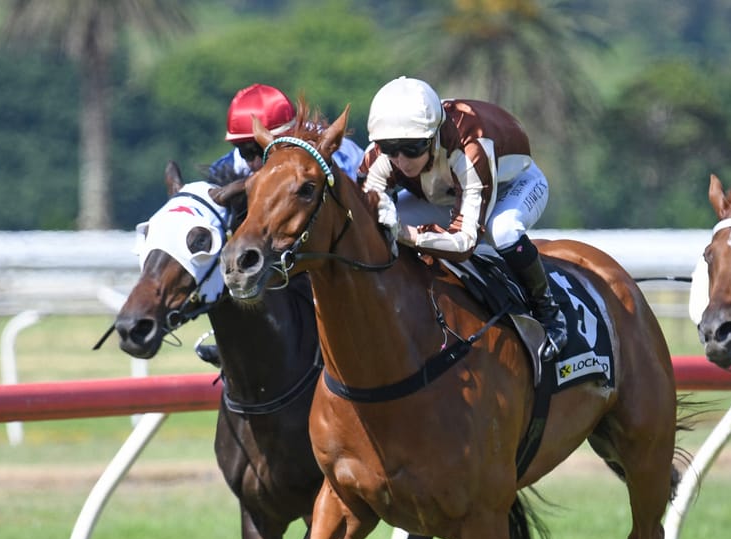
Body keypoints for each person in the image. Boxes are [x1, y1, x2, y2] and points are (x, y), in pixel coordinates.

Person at [360, 76, 567, 360]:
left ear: (433, 136)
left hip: (510, 184)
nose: (401, 160)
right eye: (389, 148)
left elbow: (464, 242)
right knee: (377, 224)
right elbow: (363, 211)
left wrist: (405, 233)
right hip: (442, 194)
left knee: (501, 230)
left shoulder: (470, 146)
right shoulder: (379, 155)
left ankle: (548, 311)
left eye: (412, 148)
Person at [209, 83, 365, 181]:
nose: (255, 163)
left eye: (262, 149)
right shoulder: (222, 172)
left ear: (290, 136)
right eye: (245, 153)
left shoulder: (342, 154)